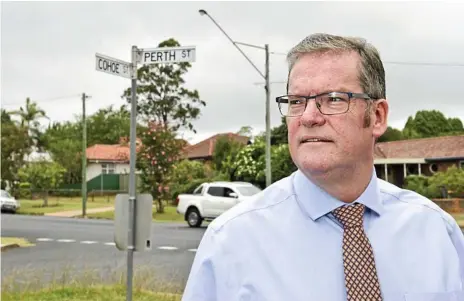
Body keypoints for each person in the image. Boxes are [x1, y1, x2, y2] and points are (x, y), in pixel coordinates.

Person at [181, 33, 464, 301]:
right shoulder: (231, 240)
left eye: (333, 99)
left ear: (377, 116)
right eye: (296, 101)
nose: (309, 117)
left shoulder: (437, 233)